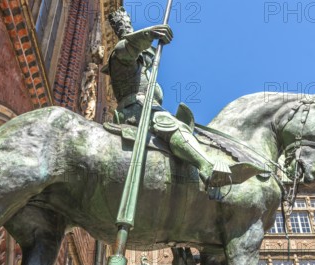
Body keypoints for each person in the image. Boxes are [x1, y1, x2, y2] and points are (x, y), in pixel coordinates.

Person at [103, 7, 263, 190]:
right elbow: (127, 50)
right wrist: (149, 34)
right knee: (171, 124)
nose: (147, 59)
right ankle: (209, 168)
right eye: (145, 55)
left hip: (146, 109)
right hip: (135, 109)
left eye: (149, 56)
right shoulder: (121, 60)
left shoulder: (143, 74)